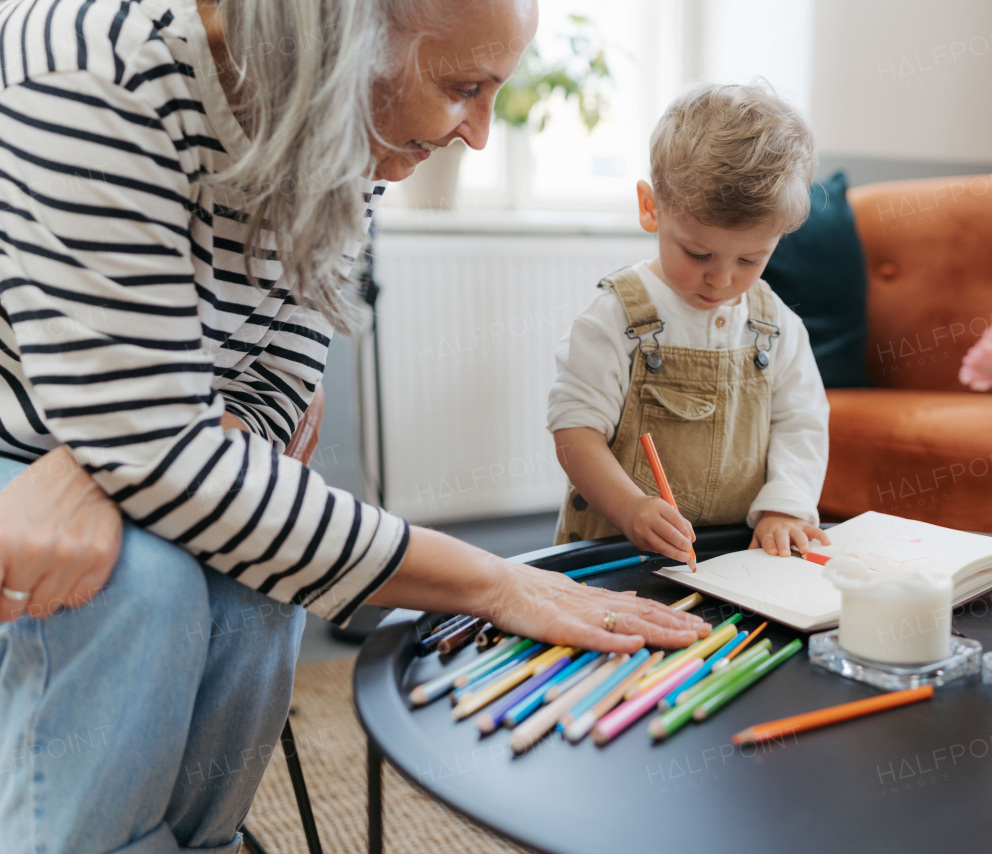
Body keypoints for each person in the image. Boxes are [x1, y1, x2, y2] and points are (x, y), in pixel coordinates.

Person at [0, 1, 708, 851]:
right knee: (141, 585)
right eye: (464, 87)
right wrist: (496, 582)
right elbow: (161, 447)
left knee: (260, 582)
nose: (479, 135)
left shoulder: (342, 125)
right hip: (20, 433)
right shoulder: (97, 70)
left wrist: (141, 455)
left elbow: (281, 391)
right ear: (336, 37)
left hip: (129, 437)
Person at [549, 82, 831, 564]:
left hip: (732, 559)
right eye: (698, 253)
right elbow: (575, 433)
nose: (721, 279)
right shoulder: (615, 317)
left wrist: (784, 508)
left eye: (749, 258)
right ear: (650, 207)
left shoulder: (776, 325)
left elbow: (802, 422)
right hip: (617, 550)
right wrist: (631, 508)